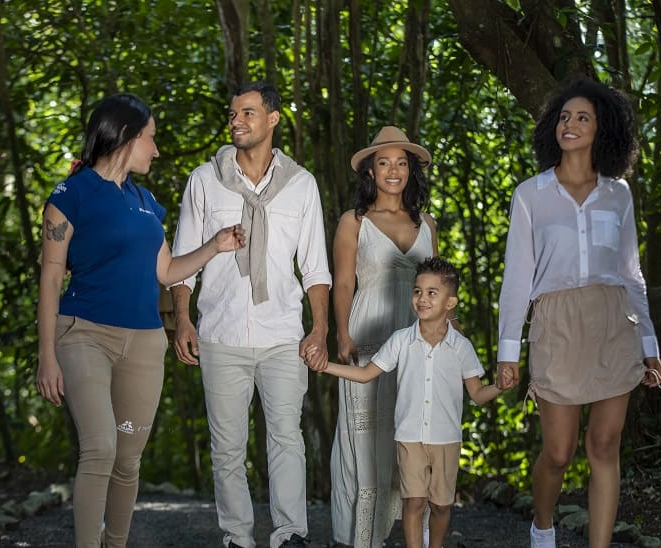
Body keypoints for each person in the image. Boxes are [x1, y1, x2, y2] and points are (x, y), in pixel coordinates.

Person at [35, 93, 245, 548]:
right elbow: (51, 277)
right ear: (127, 137)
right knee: (100, 448)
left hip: (145, 345)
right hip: (83, 336)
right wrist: (46, 354)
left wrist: (215, 245)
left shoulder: (147, 201)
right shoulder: (70, 195)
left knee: (128, 458)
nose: (156, 149)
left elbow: (166, 272)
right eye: (150, 138)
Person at [495, 78, 661, 548]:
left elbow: (632, 275)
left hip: (615, 324)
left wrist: (649, 346)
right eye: (564, 117)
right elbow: (517, 279)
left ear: (602, 129)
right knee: (557, 452)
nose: (570, 125)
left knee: (605, 446)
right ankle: (543, 527)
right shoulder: (531, 195)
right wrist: (507, 351)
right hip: (557, 326)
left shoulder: (619, 195)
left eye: (582, 117)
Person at [169, 81, 331, 548]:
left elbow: (315, 266)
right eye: (232, 113)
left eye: (247, 113)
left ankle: (289, 534)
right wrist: (183, 319)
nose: (236, 121)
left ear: (273, 119)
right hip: (220, 331)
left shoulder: (301, 185)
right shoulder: (204, 180)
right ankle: (236, 537)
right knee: (227, 448)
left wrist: (319, 329)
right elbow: (183, 259)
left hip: (282, 332)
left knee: (286, 437)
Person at [305, 257, 502, 548]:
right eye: (417, 291)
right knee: (414, 501)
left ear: (450, 303)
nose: (421, 298)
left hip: (446, 439)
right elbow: (364, 374)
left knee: (441, 505)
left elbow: (476, 394)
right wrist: (325, 367)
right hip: (409, 437)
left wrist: (499, 386)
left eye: (432, 293)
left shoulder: (461, 347)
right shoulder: (400, 340)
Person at [329, 126, 438, 547]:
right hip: (368, 334)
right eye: (384, 162)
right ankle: (363, 539)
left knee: (415, 439)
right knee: (367, 443)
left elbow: (441, 289)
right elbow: (342, 284)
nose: (393, 170)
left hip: (418, 344)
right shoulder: (353, 222)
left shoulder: (427, 223)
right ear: (371, 172)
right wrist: (342, 335)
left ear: (411, 170)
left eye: (401, 162)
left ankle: (417, 537)